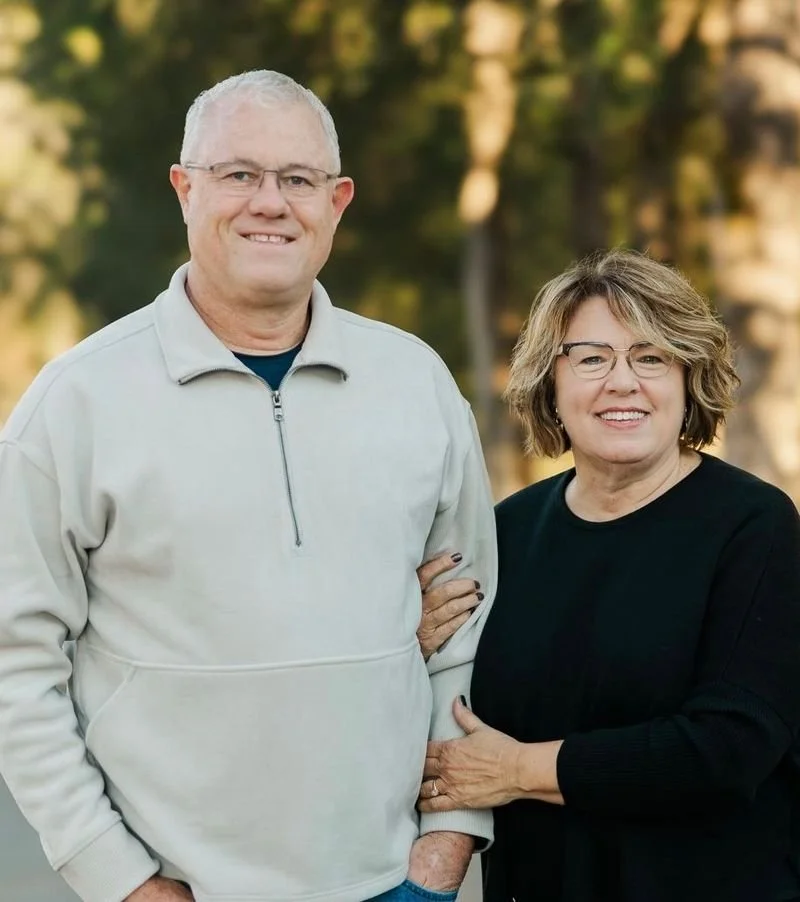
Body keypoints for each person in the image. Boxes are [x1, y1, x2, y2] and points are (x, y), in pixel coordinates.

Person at [0, 70, 496, 902]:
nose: (271, 202)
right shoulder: (76, 402)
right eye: (238, 174)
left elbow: (468, 629)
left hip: (392, 884)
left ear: (336, 201)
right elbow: (17, 667)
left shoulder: (416, 383)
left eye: (297, 179)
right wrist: (119, 879)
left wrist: (446, 847)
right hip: (180, 890)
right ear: (184, 189)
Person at [416, 249, 800, 902]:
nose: (622, 382)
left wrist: (520, 769)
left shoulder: (754, 525)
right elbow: (446, 706)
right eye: (592, 359)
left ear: (687, 380)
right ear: (551, 385)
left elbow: (729, 749)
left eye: (650, 357)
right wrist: (414, 639)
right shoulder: (506, 532)